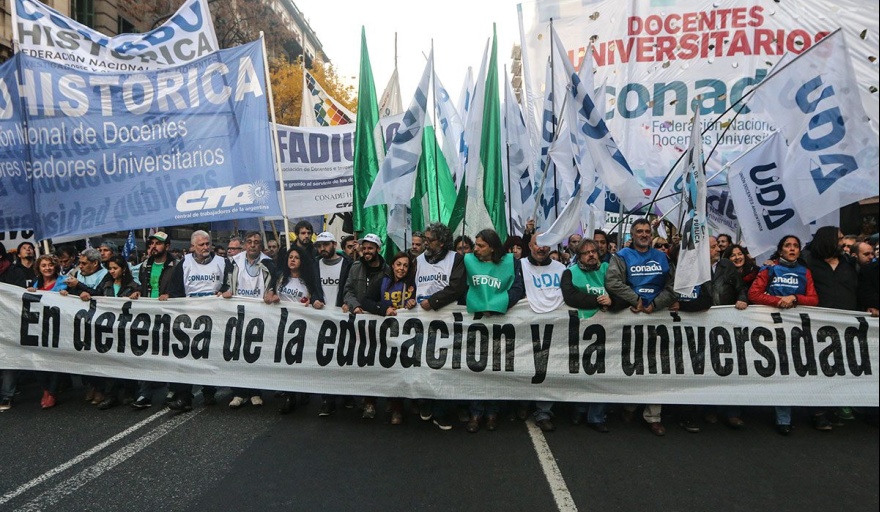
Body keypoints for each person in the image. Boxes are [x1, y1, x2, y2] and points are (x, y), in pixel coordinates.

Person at [605, 218, 677, 436]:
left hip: (657, 317)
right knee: (633, 365)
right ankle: (629, 406)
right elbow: (612, 282)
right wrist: (635, 299)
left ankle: (653, 416)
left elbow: (674, 286)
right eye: (639, 231)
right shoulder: (621, 257)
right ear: (632, 234)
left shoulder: (662, 258)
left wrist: (655, 304)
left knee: (657, 368)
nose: (644, 234)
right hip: (632, 316)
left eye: (647, 231)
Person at [748, 234, 819, 435]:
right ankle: (783, 418)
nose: (792, 249)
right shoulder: (769, 269)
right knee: (779, 370)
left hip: (797, 329)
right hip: (770, 327)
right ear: (781, 250)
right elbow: (754, 294)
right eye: (788, 245)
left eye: (795, 245)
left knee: (793, 369)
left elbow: (814, 299)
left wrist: (794, 298)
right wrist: (778, 301)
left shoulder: (805, 272)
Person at [464, 228, 524, 433]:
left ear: (492, 247)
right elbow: (462, 288)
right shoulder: (468, 262)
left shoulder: (511, 263)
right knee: (476, 367)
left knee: (495, 367)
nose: (476, 249)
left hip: (500, 322)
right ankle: (475, 412)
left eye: (481, 246)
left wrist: (498, 305)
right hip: (477, 323)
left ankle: (492, 412)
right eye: (475, 244)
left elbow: (517, 288)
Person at [166, 230, 233, 412]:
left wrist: (225, 291)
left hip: (214, 317)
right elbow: (175, 290)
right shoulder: (184, 264)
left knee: (209, 355)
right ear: (193, 247)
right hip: (190, 318)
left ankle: (209, 391)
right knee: (186, 357)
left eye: (207, 244)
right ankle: (184, 397)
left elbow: (230, 284)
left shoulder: (222, 262)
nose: (205, 247)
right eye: (201, 245)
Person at [415, 222, 468, 430]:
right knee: (423, 365)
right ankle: (425, 404)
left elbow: (456, 287)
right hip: (421, 323)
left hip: (447, 322)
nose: (426, 243)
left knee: (444, 368)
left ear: (443, 242)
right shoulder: (418, 260)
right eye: (425, 239)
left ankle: (441, 412)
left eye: (430, 240)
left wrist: (434, 301)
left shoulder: (456, 259)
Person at [264, 244, 325, 414]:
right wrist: (270, 295)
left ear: (302, 261)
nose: (292, 260)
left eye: (296, 257)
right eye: (290, 257)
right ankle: (289, 396)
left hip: (302, 327)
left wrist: (314, 302)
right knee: (285, 361)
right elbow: (268, 293)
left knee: (300, 359)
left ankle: (303, 390)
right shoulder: (279, 277)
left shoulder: (309, 279)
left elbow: (317, 296)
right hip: (281, 325)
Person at [561, 239, 613, 431]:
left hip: (609, 329)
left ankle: (597, 416)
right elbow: (571, 296)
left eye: (594, 251)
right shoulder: (570, 273)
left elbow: (620, 290)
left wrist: (613, 300)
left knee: (602, 373)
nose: (591, 255)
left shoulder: (608, 269)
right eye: (586, 253)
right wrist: (599, 301)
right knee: (582, 372)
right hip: (582, 329)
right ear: (579, 256)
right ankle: (579, 409)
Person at [336, 233, 388, 417]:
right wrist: (354, 305)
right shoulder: (355, 267)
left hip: (378, 323)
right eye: (364, 248)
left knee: (374, 361)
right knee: (357, 359)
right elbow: (348, 290)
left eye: (370, 248)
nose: (366, 252)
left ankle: (371, 402)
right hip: (357, 322)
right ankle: (356, 397)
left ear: (378, 249)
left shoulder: (387, 270)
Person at [361, 251, 416, 424]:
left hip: (403, 336)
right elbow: (366, 301)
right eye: (399, 264)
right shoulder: (382, 281)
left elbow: (419, 303)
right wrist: (383, 309)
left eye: (406, 265)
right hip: (382, 335)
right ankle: (370, 403)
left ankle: (397, 407)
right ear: (392, 265)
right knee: (376, 368)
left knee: (398, 370)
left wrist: (413, 303)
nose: (402, 268)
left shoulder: (413, 284)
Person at [520, 234, 568, 433]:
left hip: (553, 329)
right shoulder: (519, 265)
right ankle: (522, 403)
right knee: (523, 366)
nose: (541, 248)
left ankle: (544, 412)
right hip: (524, 327)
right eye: (537, 244)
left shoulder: (562, 269)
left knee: (549, 369)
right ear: (529, 245)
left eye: (546, 245)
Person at [225, 231, 276, 409]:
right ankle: (238, 392)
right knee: (237, 352)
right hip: (238, 314)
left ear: (260, 246)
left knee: (255, 353)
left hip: (259, 315)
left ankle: (255, 391)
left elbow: (274, 284)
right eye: (249, 242)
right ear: (245, 244)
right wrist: (226, 291)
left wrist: (271, 292)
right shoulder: (234, 261)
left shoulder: (269, 264)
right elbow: (227, 283)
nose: (253, 245)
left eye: (256, 242)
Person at [80, 255, 139, 410]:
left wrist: (137, 297)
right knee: (110, 360)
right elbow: (95, 295)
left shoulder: (134, 286)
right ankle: (111, 395)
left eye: (115, 268)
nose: (112, 271)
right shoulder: (106, 284)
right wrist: (86, 294)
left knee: (127, 361)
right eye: (110, 268)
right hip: (108, 329)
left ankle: (129, 392)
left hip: (126, 329)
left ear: (123, 269)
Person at [129, 231, 178, 409]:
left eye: (158, 244)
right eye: (151, 244)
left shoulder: (176, 265)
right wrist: (137, 291)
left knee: (168, 353)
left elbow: (180, 289)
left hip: (168, 314)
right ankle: (144, 394)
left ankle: (172, 390)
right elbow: (141, 285)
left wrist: (170, 295)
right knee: (145, 353)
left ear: (167, 246)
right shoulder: (144, 266)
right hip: (148, 314)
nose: (153, 247)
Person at [62, 248, 109, 404]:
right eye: (79, 263)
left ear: (95, 263)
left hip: (98, 322)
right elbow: (71, 290)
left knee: (97, 355)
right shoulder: (77, 274)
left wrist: (80, 286)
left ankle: (100, 388)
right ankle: (90, 384)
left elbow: (101, 294)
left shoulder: (105, 275)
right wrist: (65, 292)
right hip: (81, 322)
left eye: (84, 263)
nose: (80, 266)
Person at [26, 255, 68, 409]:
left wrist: (67, 295)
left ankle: (51, 392)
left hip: (59, 328)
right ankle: (45, 388)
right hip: (40, 328)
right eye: (44, 265)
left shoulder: (64, 282)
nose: (47, 268)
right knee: (38, 361)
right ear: (39, 268)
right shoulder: (37, 283)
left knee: (56, 361)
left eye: (50, 265)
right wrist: (31, 292)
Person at [0, 242, 28, 412]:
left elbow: (18, 295)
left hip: (9, 322)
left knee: (8, 358)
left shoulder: (15, 272)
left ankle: (6, 395)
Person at [314, 232, 353, 309]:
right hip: (321, 314)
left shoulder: (348, 265)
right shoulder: (315, 265)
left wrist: (348, 303)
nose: (322, 248)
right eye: (319, 246)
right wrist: (314, 300)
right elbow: (313, 289)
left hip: (341, 313)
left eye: (326, 244)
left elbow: (351, 289)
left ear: (334, 244)